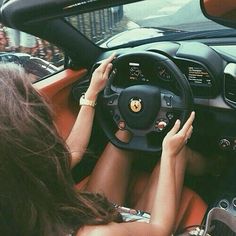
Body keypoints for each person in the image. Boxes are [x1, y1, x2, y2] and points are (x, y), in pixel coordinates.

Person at [0, 55, 207, 236]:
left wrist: (90, 96)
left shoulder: (20, 186)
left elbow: (72, 152)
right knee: (179, 153)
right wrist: (169, 154)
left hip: (83, 218)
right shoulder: (96, 234)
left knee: (124, 132)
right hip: (142, 228)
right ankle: (216, 168)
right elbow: (159, 229)